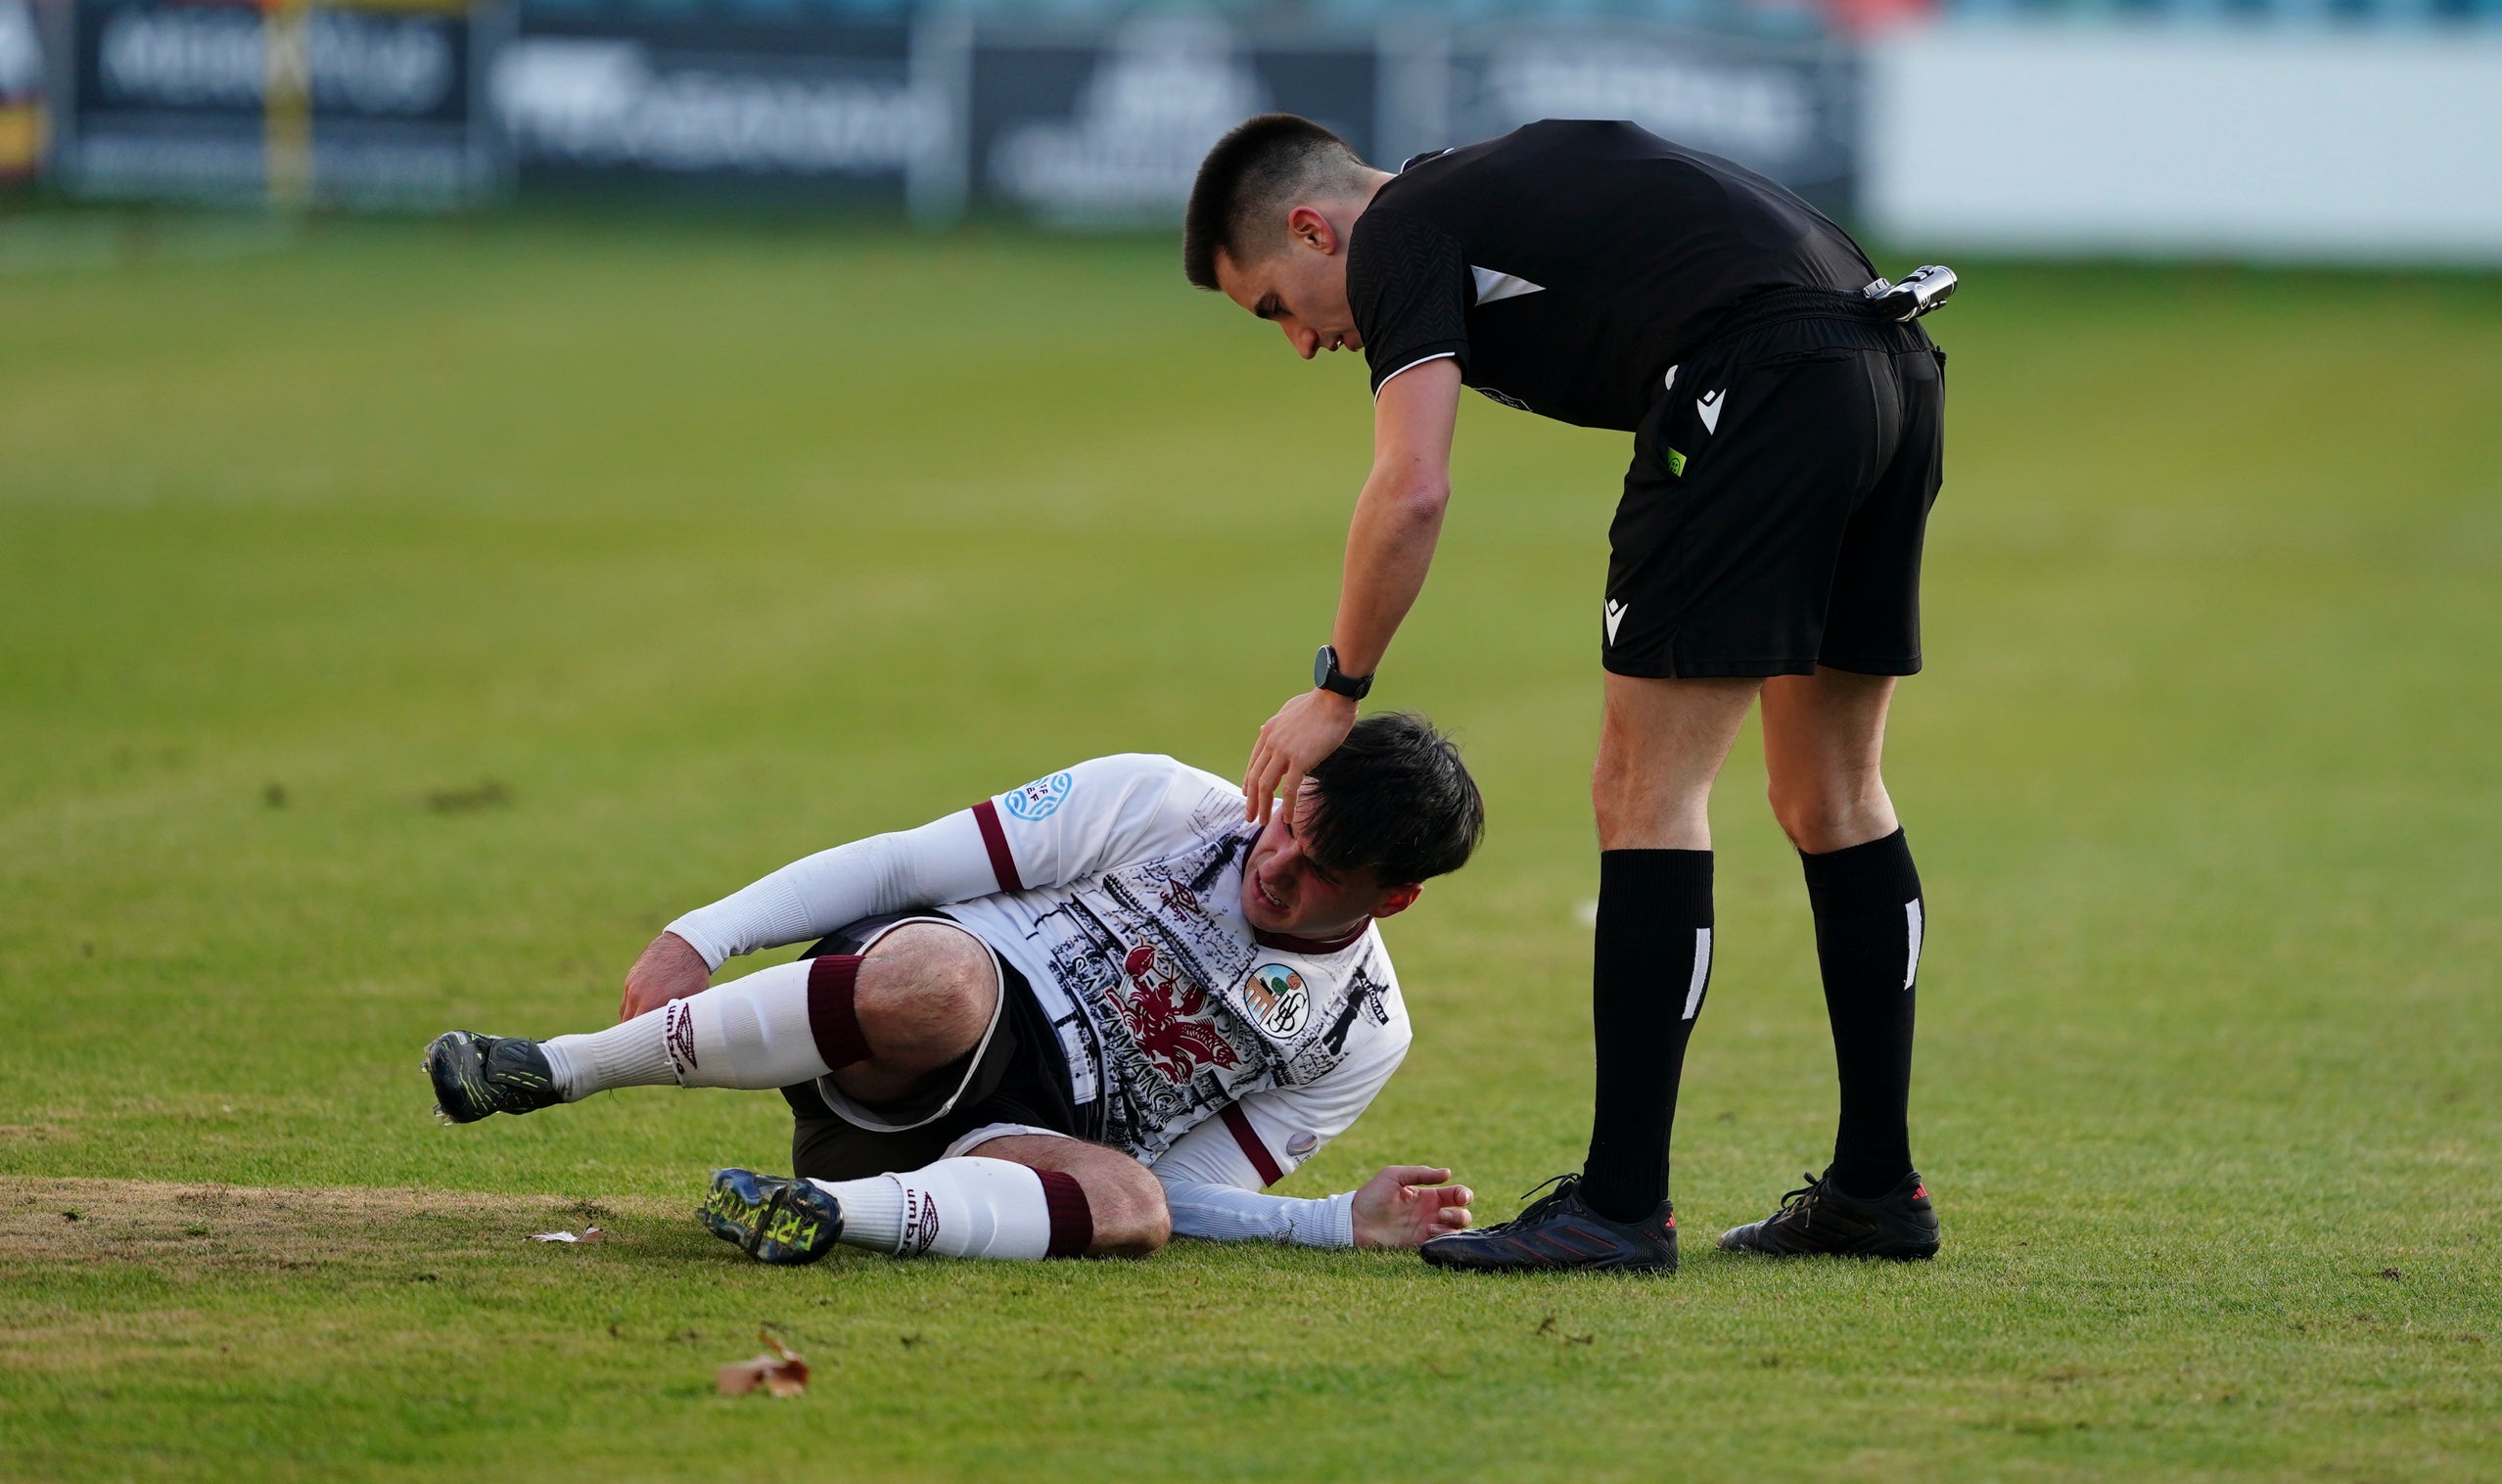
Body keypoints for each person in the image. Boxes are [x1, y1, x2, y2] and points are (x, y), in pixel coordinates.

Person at [1185, 115, 1948, 1275]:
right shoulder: (1482, 188)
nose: (1298, 341)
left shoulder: (1399, 231)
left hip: (1758, 378)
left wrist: (1339, 686)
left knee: (1643, 793)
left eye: (1277, 306)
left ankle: (1623, 1203)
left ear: (1311, 226)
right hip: (1885, 364)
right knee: (1834, 795)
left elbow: (1413, 485)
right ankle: (1875, 1190)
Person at [424, 717, 1484, 1266]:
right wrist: (701, 933)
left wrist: (1330, 1220)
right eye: (1290, 819)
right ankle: (552, 1067)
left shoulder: (1360, 1032)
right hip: (926, 993)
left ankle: (816, 1212)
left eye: (1316, 870)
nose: (1276, 860)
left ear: (1393, 897)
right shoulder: (1162, 798)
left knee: (1136, 1205)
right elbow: (903, 864)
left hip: (1003, 1141)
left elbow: (1185, 1184)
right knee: (945, 987)